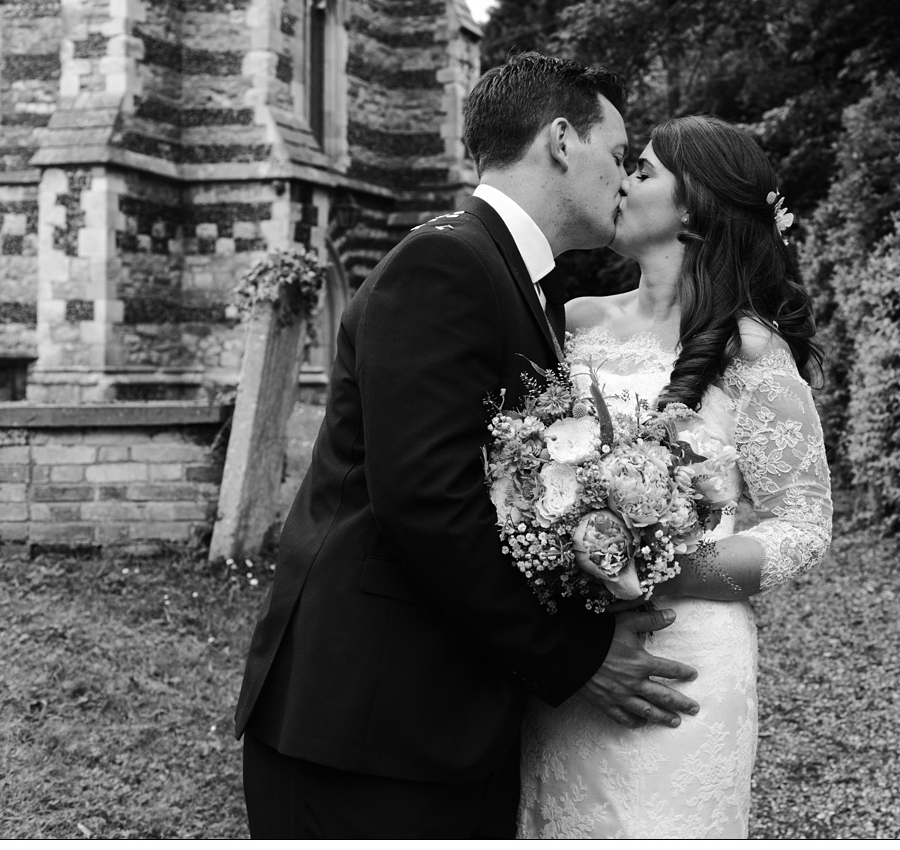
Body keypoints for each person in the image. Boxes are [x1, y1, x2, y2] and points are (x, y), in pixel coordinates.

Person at [234, 52, 702, 839]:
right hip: (369, 731)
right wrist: (574, 654)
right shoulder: (444, 262)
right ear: (561, 141)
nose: (624, 180)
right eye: (618, 156)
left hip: (436, 722)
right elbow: (425, 501)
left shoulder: (518, 278)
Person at [517, 114, 833, 837]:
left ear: (692, 204)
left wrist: (663, 567)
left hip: (685, 653)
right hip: (575, 655)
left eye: (644, 170)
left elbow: (806, 525)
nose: (621, 183)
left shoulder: (752, 349)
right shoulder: (572, 322)